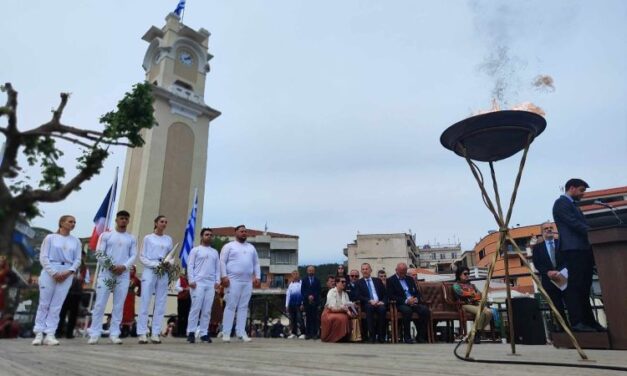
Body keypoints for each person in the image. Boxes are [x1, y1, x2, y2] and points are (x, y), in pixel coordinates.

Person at [553, 178, 604, 332]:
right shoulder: (561, 203)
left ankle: (589, 321)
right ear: (572, 188)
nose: (583, 194)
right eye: (581, 190)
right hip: (572, 249)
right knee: (575, 286)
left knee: (585, 287)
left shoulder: (573, 205)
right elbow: (573, 223)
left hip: (583, 249)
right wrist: (592, 232)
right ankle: (577, 322)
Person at [87, 210, 137, 345]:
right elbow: (99, 253)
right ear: (116, 219)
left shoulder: (131, 238)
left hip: (123, 275)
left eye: (126, 219)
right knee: (100, 304)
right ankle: (94, 333)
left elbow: (133, 255)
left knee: (119, 305)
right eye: (121, 218)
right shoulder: (106, 235)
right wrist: (110, 266)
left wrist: (124, 266)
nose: (124, 221)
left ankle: (115, 333)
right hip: (107, 274)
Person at [32, 215, 82, 346]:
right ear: (62, 223)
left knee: (57, 305)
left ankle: (50, 333)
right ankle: (38, 332)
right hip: (50, 270)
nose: (73, 224)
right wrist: (53, 272)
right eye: (70, 221)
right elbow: (43, 257)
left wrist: (69, 271)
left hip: (67, 271)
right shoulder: (50, 238)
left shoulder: (76, 241)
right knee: (44, 303)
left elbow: (77, 259)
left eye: (74, 222)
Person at [220, 225, 260, 342]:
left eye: (245, 232)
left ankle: (241, 332)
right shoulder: (229, 246)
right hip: (233, 281)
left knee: (243, 307)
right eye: (241, 231)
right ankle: (226, 333)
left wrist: (257, 276)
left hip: (247, 281)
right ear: (235, 232)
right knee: (231, 306)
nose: (244, 233)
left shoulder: (251, 248)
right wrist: (224, 276)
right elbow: (222, 262)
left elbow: (256, 263)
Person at [137, 215, 174, 344]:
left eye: (166, 222)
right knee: (145, 301)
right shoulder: (148, 238)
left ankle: (156, 333)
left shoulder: (168, 239)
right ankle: (142, 332)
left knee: (160, 302)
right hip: (150, 270)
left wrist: (169, 263)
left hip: (163, 272)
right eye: (162, 221)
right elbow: (142, 256)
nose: (164, 224)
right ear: (156, 223)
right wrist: (155, 265)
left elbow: (171, 255)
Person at [186, 228, 220, 344]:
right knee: (196, 308)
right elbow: (190, 266)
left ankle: (204, 333)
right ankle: (191, 332)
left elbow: (217, 268)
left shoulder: (214, 252)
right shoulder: (195, 250)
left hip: (210, 284)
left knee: (207, 310)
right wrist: (191, 280)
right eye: (207, 234)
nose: (209, 236)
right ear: (201, 236)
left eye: (211, 235)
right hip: (198, 283)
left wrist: (217, 281)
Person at [532, 222, 567, 331]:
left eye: (551, 227)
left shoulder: (561, 243)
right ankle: (563, 328)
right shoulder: (537, 248)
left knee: (571, 302)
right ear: (542, 232)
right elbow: (537, 263)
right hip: (549, 281)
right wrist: (547, 272)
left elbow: (567, 258)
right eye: (546, 228)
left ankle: (576, 326)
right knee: (556, 306)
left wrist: (560, 271)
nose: (549, 230)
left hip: (564, 278)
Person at [387, 262, 430, 344]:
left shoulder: (410, 279)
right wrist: (406, 301)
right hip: (401, 303)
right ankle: (407, 337)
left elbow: (417, 292)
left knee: (425, 310)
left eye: (404, 272)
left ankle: (420, 336)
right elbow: (391, 295)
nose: (403, 274)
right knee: (407, 311)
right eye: (401, 273)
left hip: (413, 302)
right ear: (396, 270)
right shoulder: (390, 280)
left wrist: (416, 299)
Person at [453, 266, 492, 343]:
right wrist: (473, 294)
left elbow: (479, 295)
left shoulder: (472, 285)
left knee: (489, 313)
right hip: (464, 305)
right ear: (459, 275)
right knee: (481, 312)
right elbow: (461, 293)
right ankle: (476, 334)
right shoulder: (456, 285)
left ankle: (476, 333)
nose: (467, 275)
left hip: (475, 304)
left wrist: (474, 295)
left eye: (468, 274)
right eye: (465, 274)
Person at [57, 254, 89, 339]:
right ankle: (58, 332)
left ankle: (69, 333)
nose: (81, 258)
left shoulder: (84, 268)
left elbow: (87, 280)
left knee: (73, 314)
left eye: (83, 256)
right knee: (62, 313)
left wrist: (81, 279)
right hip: (67, 291)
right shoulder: (69, 264)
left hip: (77, 292)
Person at [357, 263, 388, 343]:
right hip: (368, 304)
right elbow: (358, 296)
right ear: (361, 271)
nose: (365, 271)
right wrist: (369, 300)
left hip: (379, 303)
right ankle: (372, 336)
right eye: (363, 269)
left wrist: (383, 302)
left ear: (370, 270)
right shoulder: (359, 282)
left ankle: (381, 336)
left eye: (366, 269)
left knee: (382, 309)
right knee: (369, 308)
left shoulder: (377, 281)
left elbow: (385, 294)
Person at [320, 276, 357, 342]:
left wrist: (351, 308)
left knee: (348, 316)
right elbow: (332, 308)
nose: (344, 283)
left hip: (341, 312)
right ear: (337, 283)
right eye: (342, 282)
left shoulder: (345, 294)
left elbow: (347, 305)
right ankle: (336, 337)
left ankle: (345, 336)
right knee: (342, 318)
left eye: (345, 282)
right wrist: (345, 310)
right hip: (329, 312)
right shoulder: (331, 292)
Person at [300, 265, 321, 340]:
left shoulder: (317, 280)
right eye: (309, 270)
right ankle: (308, 334)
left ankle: (314, 334)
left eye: (312, 270)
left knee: (315, 318)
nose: (311, 272)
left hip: (315, 302)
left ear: (314, 271)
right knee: (308, 318)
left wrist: (313, 297)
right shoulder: (304, 280)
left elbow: (318, 291)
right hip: (307, 301)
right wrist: (308, 296)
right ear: (307, 271)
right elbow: (302, 291)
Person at [285, 270, 305, 339]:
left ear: (298, 275)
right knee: (292, 319)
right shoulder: (290, 284)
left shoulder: (302, 283)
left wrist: (303, 303)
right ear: (292, 275)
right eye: (294, 274)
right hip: (291, 304)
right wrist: (286, 305)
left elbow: (303, 294)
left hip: (299, 304)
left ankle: (303, 333)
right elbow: (288, 295)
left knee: (300, 318)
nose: (295, 275)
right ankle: (294, 333)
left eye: (296, 274)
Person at [121, 265, 141, 337]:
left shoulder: (136, 279)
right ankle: (123, 330)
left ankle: (129, 329)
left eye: (132, 269)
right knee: (122, 311)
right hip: (123, 297)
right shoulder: (123, 277)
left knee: (129, 312)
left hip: (131, 297)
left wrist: (138, 293)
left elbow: (140, 285)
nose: (131, 271)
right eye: (130, 269)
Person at [175, 271, 191, 337]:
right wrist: (184, 289)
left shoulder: (190, 280)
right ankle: (179, 332)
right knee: (181, 315)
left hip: (188, 299)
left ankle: (184, 332)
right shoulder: (180, 279)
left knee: (186, 316)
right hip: (181, 299)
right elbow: (176, 287)